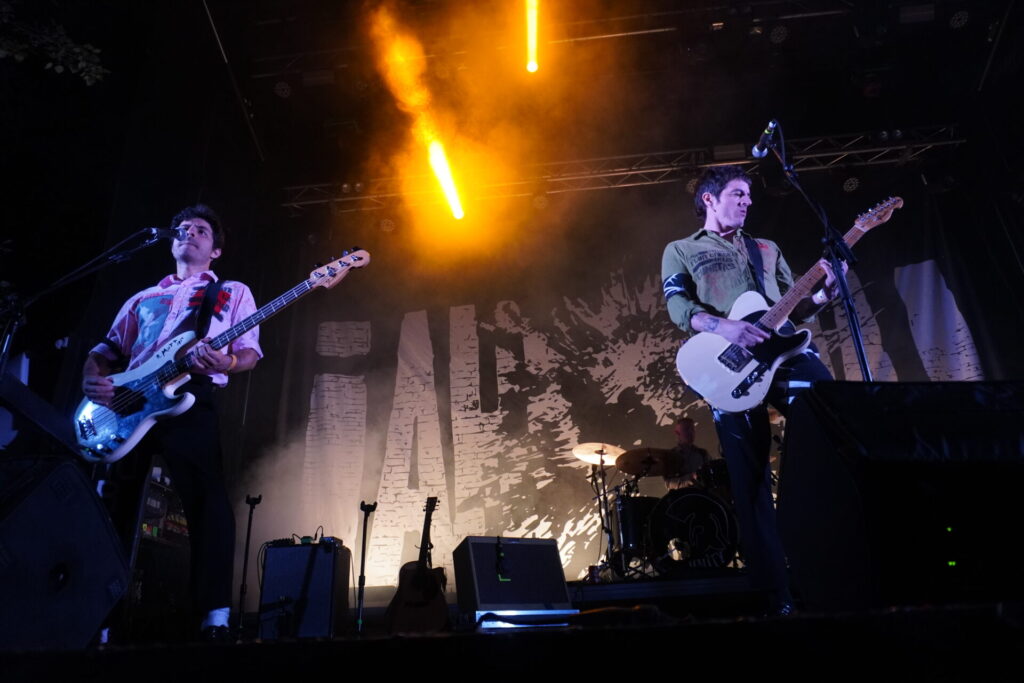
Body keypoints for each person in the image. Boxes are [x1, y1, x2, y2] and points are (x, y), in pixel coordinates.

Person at [661, 166, 842, 615]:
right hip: (727, 366)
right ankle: (775, 597)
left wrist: (822, 297)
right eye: (738, 194)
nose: (748, 201)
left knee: (833, 417)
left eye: (749, 196)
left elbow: (791, 307)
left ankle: (830, 563)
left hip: (782, 356)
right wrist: (726, 327)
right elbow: (678, 305)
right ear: (709, 198)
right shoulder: (682, 250)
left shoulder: (766, 248)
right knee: (751, 480)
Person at [82, 204, 261, 640]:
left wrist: (227, 358)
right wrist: (92, 379)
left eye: (200, 229)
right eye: (182, 228)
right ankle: (101, 617)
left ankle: (214, 615)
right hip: (127, 405)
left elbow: (251, 353)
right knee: (115, 506)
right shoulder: (142, 298)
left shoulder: (232, 292)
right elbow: (105, 351)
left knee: (208, 501)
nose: (188, 232)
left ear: (215, 250)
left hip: (190, 397)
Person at [662, 416, 710, 490]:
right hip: (683, 498)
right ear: (677, 433)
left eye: (692, 429)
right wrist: (691, 478)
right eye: (687, 429)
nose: (691, 432)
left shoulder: (703, 453)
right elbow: (669, 484)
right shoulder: (671, 456)